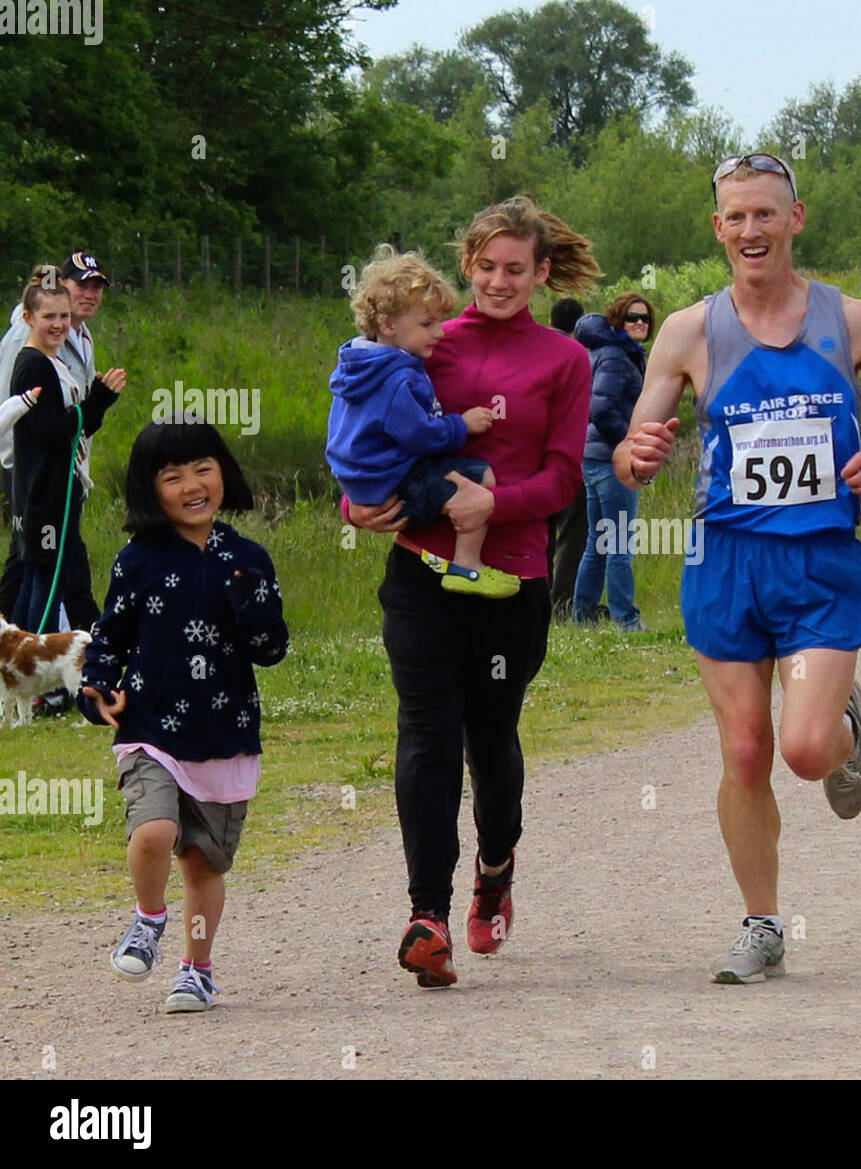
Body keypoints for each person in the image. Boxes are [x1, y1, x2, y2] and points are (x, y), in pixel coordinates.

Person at [613, 154, 861, 982]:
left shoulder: (852, 321)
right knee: (744, 751)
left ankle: (846, 731)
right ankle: (763, 923)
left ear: (795, 219)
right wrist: (641, 452)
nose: (750, 231)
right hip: (725, 561)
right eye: (735, 217)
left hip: (819, 564)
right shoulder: (688, 331)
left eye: (765, 214)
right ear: (717, 228)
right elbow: (632, 457)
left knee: (804, 751)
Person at [346, 196, 598, 988]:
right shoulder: (421, 341)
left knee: (490, 745)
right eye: (485, 266)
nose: (498, 281)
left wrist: (500, 503)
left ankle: (495, 866)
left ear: (540, 272)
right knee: (426, 733)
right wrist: (354, 501)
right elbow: (359, 431)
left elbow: (564, 474)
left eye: (515, 269)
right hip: (422, 571)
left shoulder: (565, 360)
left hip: (509, 578)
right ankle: (427, 916)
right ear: (467, 265)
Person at [77, 421, 289, 1013]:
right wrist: (97, 688)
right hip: (150, 728)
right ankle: (149, 917)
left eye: (203, 469)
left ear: (224, 474)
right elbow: (109, 636)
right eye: (173, 476)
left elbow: (271, 650)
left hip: (225, 733)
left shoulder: (249, 558)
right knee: (154, 831)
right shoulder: (137, 559)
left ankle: (196, 970)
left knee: (202, 862)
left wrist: (252, 605)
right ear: (151, 489)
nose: (192, 485)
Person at [327, 244, 516, 598]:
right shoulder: (398, 379)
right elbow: (420, 437)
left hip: (362, 485)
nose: (440, 333)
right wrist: (463, 424)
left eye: (440, 322)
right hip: (393, 484)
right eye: (428, 324)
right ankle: (467, 566)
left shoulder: (357, 365)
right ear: (387, 324)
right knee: (481, 477)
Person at [1, 251, 117, 633]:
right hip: (33, 472)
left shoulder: (79, 337)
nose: (89, 293)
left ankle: (26, 659)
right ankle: (51, 659)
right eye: (82, 284)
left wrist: (94, 405)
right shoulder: (29, 346)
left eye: (96, 286)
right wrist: (97, 400)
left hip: (63, 471)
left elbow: (73, 416)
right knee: (48, 571)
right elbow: (30, 416)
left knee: (36, 568)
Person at [573, 292, 656, 631]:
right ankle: (626, 620)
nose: (640, 323)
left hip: (593, 457)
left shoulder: (608, 352)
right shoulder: (618, 358)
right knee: (619, 541)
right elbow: (601, 409)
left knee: (599, 539)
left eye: (645, 318)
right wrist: (628, 444)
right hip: (609, 461)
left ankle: (584, 615)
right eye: (632, 317)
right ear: (618, 320)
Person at [546, 297, 588, 615]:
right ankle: (562, 601)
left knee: (540, 533)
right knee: (574, 532)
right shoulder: (578, 356)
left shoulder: (534, 350)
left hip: (533, 458)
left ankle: (538, 599)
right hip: (569, 457)